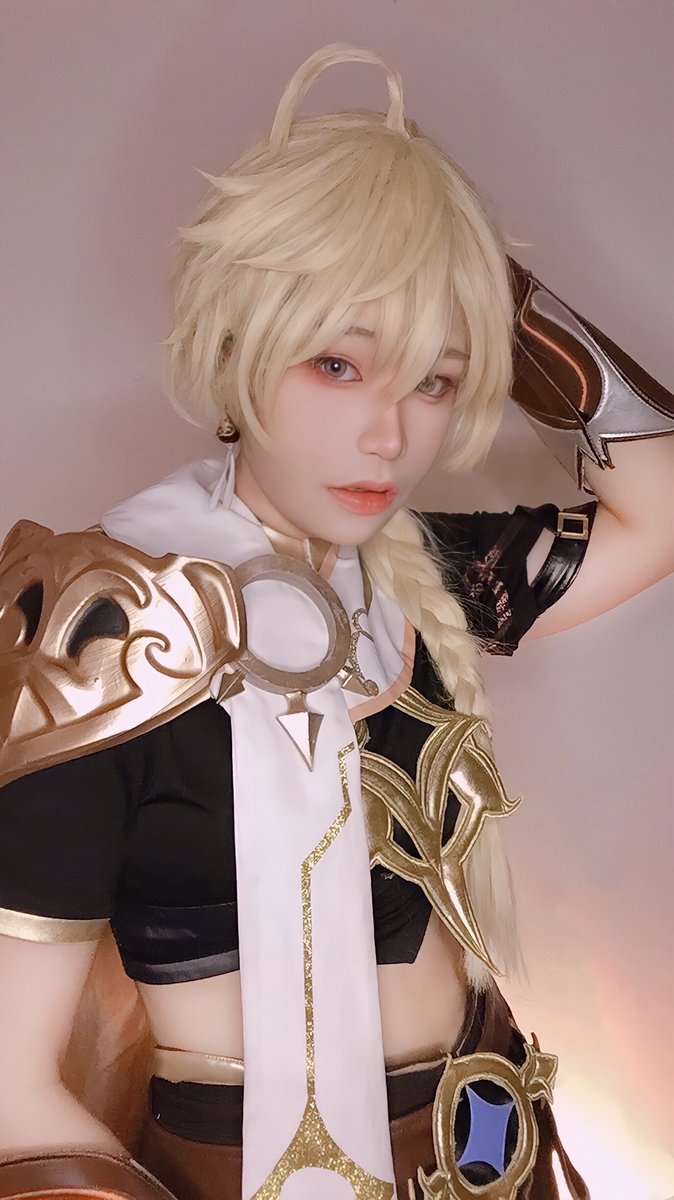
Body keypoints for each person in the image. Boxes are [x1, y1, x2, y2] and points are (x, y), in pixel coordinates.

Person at [0, 42, 671, 1200]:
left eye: (433, 380)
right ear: (235, 346)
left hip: (490, 1144)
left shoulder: (415, 578)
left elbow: (657, 510)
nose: (388, 436)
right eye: (336, 365)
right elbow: (10, 1092)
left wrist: (475, 277)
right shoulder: (100, 629)